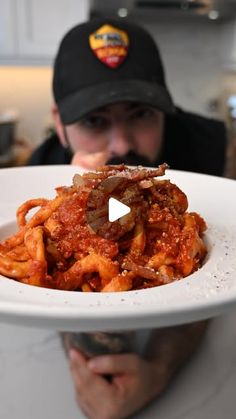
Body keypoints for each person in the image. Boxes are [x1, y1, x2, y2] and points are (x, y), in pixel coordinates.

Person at [28, 18, 227, 419]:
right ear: (58, 124)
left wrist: (159, 369)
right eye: (94, 121)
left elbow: (217, 278)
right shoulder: (40, 168)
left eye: (141, 114)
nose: (122, 144)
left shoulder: (207, 145)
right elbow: (43, 284)